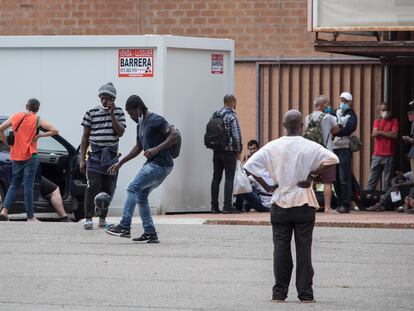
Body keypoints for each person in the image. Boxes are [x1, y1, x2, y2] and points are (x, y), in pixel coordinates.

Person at [244, 109, 339, 303]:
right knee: (304, 250)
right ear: (301, 126)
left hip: (280, 203)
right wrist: (313, 175)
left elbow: (249, 166)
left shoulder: (273, 146)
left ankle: (279, 293)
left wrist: (268, 185)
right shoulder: (310, 146)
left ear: (284, 126)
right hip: (304, 203)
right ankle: (306, 294)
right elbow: (333, 158)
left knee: (280, 249)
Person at [105, 95, 179, 243]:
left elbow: (174, 135)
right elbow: (138, 147)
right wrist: (121, 162)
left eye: (131, 113)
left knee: (132, 188)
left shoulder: (155, 120)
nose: (131, 117)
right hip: (156, 165)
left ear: (139, 108)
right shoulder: (140, 124)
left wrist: (156, 149)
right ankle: (150, 232)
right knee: (141, 195)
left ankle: (125, 226)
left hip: (160, 164)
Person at [0, 98, 58, 222]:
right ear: (37, 109)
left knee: (14, 184)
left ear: (26, 106)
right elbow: (55, 130)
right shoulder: (37, 119)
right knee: (28, 186)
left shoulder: (15, 116)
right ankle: (30, 217)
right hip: (30, 156)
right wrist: (40, 135)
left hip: (15, 156)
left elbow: (0, 129)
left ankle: (4, 210)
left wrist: (8, 144)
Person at [80, 82, 126, 230]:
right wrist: (82, 159)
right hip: (95, 155)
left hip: (111, 156)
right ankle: (88, 218)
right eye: (102, 98)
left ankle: (102, 219)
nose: (104, 101)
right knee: (92, 186)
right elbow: (85, 137)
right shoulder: (91, 113)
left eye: (107, 98)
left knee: (108, 188)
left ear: (113, 99)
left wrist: (112, 114)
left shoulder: (119, 113)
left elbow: (120, 132)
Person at [304, 95, 339, 213]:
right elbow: (336, 130)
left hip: (311, 153)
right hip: (326, 152)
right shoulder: (328, 117)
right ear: (323, 104)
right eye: (327, 104)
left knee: (311, 180)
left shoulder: (307, 118)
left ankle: (312, 206)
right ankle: (328, 208)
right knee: (327, 181)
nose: (328, 106)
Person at [210, 94, 243, 214]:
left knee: (216, 178)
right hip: (229, 152)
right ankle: (227, 206)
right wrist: (239, 150)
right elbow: (236, 136)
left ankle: (214, 207)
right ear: (232, 102)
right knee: (229, 178)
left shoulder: (215, 114)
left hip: (216, 151)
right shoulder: (231, 116)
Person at [332, 92, 358, 213]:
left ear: (350, 102)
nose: (343, 103)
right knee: (335, 177)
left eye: (345, 101)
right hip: (333, 148)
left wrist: (336, 132)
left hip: (344, 148)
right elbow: (329, 126)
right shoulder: (334, 112)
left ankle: (346, 204)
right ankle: (339, 203)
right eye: (341, 100)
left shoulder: (351, 114)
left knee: (344, 177)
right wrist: (337, 129)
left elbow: (349, 128)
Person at [365, 103, 398, 195]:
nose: (385, 112)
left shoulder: (394, 121)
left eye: (387, 109)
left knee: (388, 181)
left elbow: (394, 135)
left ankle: (387, 202)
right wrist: (387, 133)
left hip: (389, 155)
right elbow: (374, 134)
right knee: (372, 179)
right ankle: (368, 200)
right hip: (377, 155)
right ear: (379, 112)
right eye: (383, 110)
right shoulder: (377, 121)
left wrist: (379, 132)